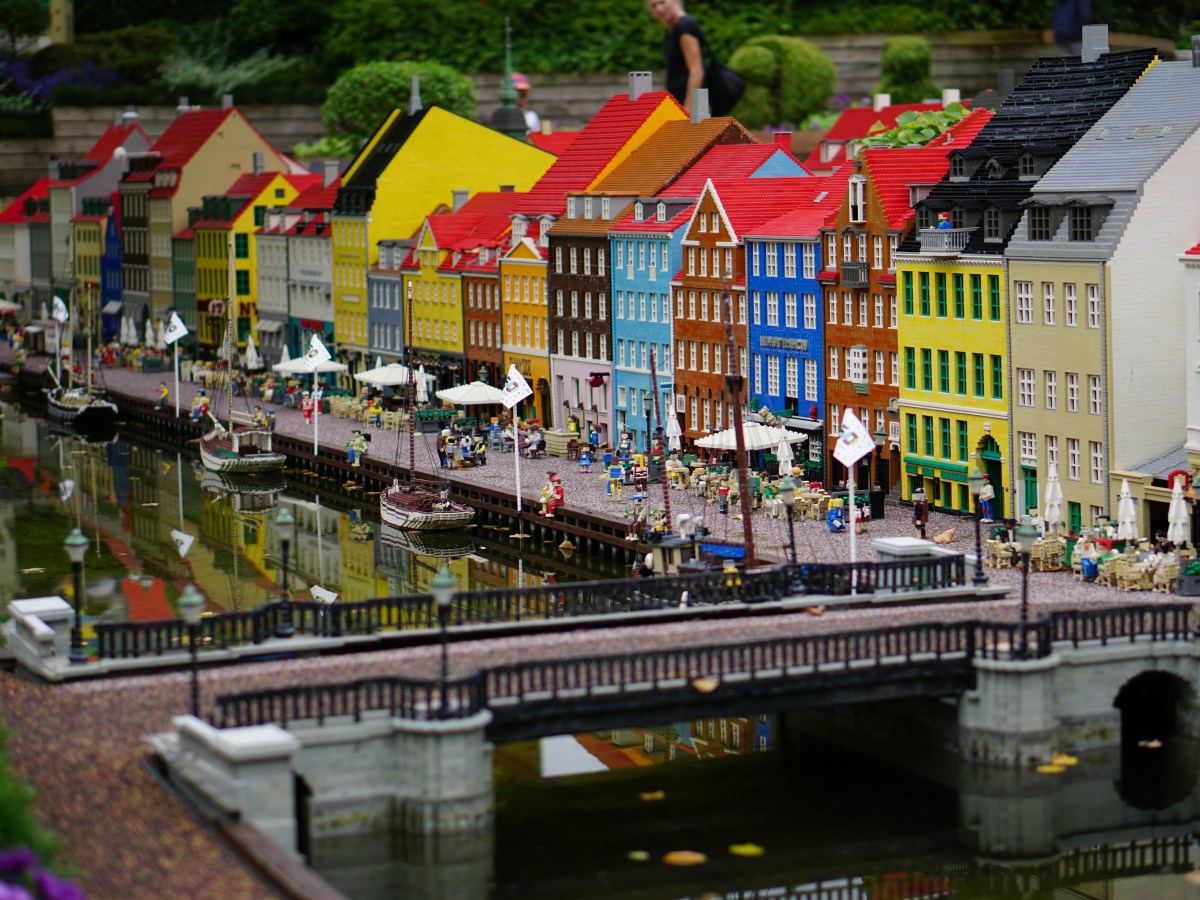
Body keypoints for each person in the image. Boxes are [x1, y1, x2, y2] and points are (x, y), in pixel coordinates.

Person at [647, 0, 705, 116]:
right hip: (676, 102)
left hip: (687, 106)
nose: (659, 9)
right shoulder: (672, 29)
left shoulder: (684, 26)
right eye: (654, 6)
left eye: (662, 2)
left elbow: (696, 71)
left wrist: (688, 110)